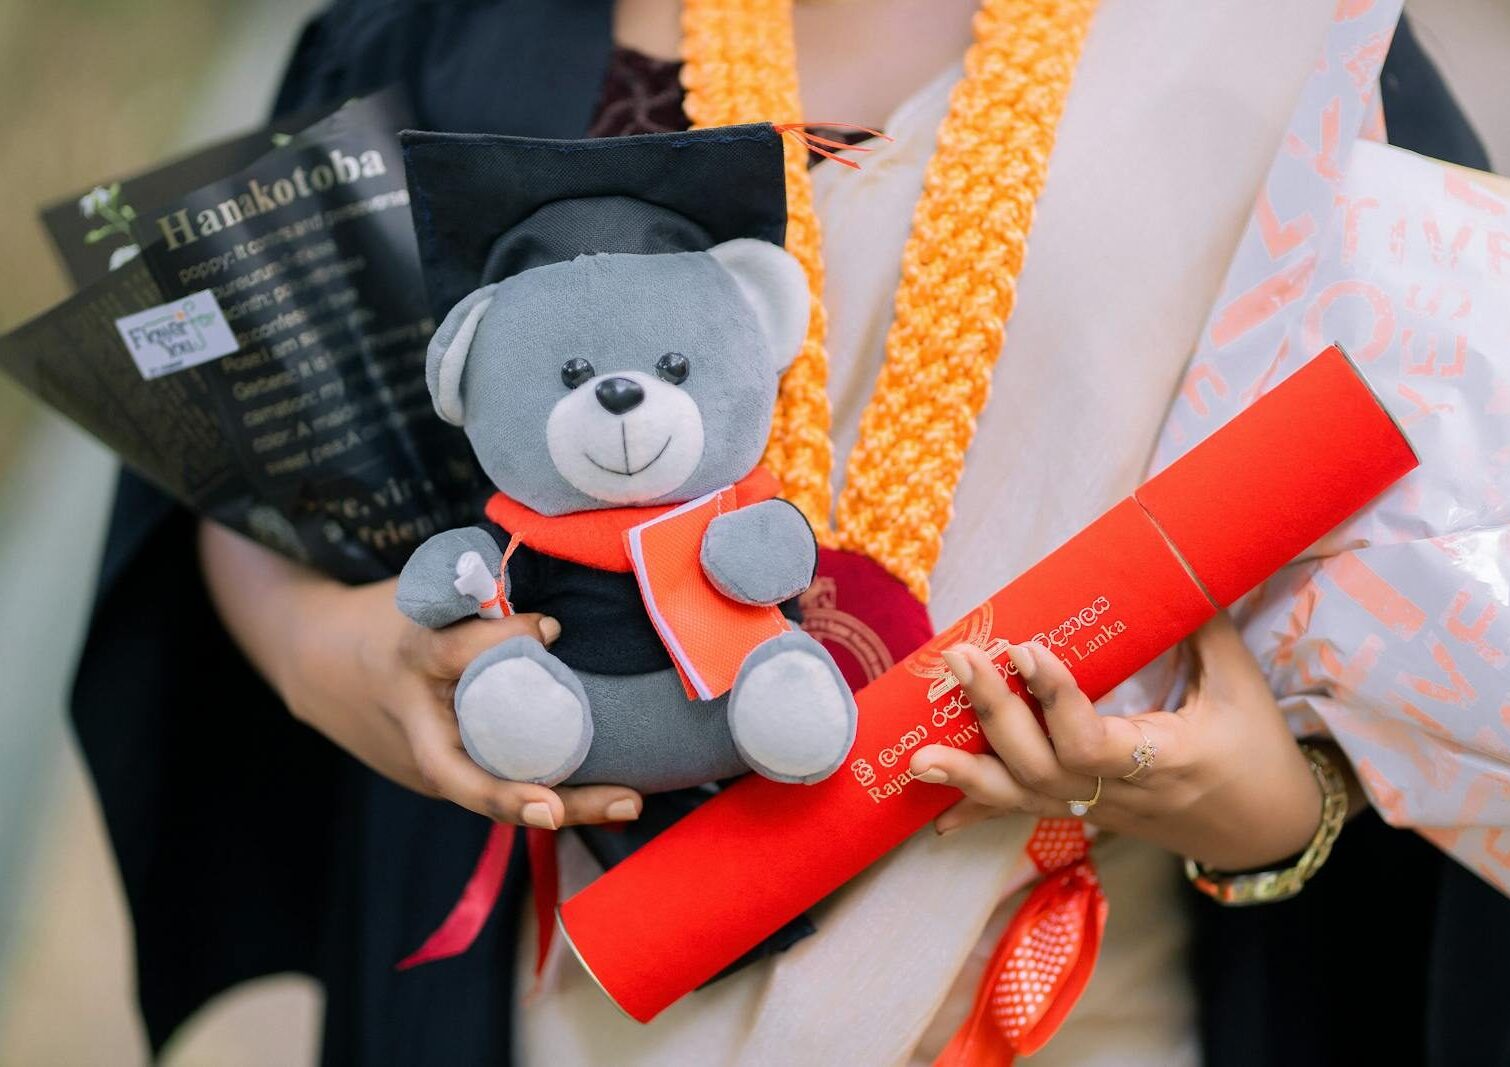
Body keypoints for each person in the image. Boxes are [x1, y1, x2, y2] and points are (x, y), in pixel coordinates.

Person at [73, 1, 1505, 1063]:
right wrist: (323, 646)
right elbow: (262, 447)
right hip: (560, 987)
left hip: (1070, 1004)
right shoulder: (470, 26)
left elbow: (1448, 594)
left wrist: (1267, 809)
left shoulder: (1295, 52)